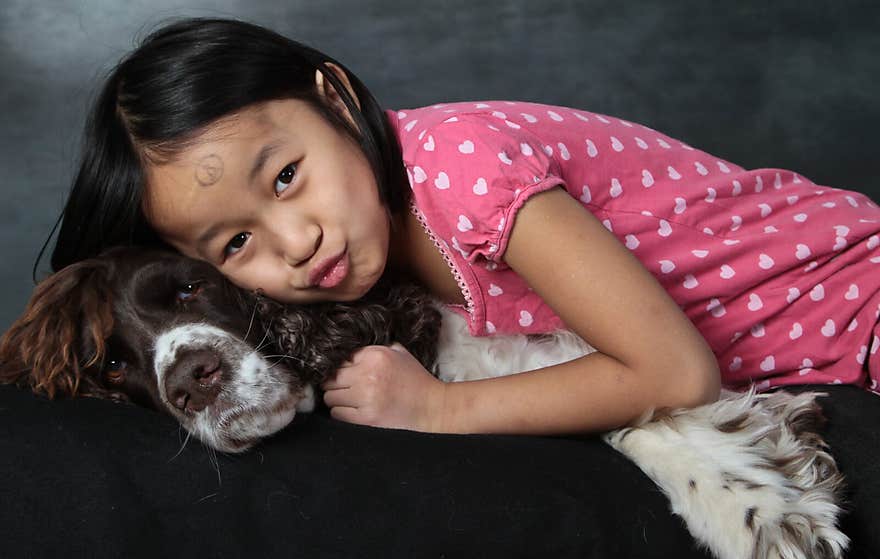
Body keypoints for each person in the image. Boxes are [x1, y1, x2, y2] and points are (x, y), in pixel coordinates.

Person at [47, 18, 880, 435]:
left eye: (288, 177)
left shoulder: (466, 170)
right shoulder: (358, 264)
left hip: (857, 298)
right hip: (812, 365)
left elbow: (677, 373)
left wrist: (438, 408)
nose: (295, 242)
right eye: (237, 244)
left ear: (335, 98)